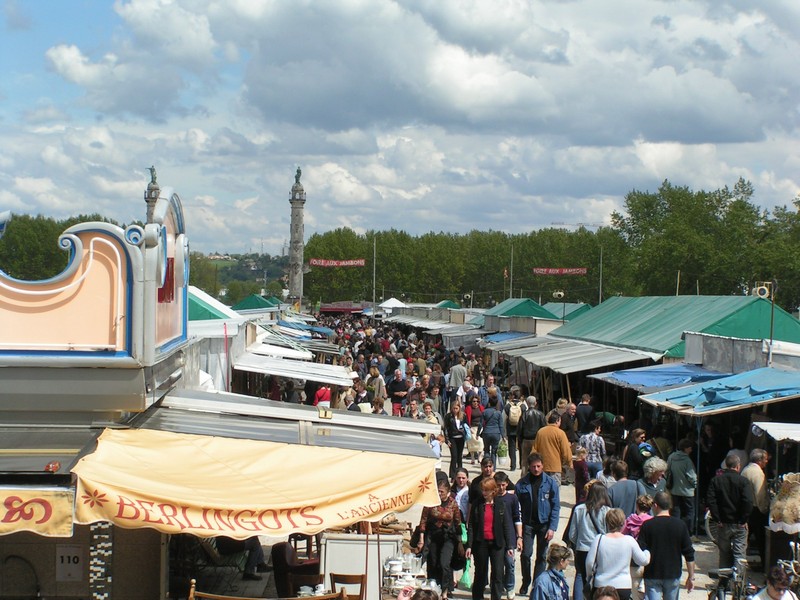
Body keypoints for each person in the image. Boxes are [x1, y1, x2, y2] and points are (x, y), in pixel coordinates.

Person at [515, 452, 561, 595]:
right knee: (526, 554)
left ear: (543, 466)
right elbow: (516, 507)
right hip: (528, 524)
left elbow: (556, 506)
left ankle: (537, 583)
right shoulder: (521, 484)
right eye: (533, 466)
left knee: (542, 556)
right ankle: (526, 581)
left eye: (538, 466)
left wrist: (552, 527)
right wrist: (519, 533)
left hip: (544, 525)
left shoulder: (550, 483)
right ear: (529, 467)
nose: (536, 469)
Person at [638, 491, 696, 600]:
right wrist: (691, 577)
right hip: (672, 574)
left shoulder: (647, 525)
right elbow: (689, 553)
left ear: (655, 505)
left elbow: (640, 549)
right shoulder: (680, 525)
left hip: (652, 573)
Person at [465, 478, 517, 600]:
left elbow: (507, 526)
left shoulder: (500, 504)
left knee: (498, 574)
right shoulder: (477, 503)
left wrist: (510, 546)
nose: (484, 493)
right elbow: (471, 525)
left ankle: (496, 597)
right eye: (483, 490)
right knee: (480, 574)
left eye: (486, 490)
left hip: (497, 543)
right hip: (481, 543)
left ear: (493, 490)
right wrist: (469, 545)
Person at [585, 508, 650, 600]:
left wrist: (589, 577)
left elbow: (589, 563)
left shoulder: (599, 539)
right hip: (623, 585)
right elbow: (643, 560)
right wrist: (647, 552)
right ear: (623, 523)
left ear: (607, 523)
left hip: (601, 584)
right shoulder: (629, 540)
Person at [416, 477, 462, 600]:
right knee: (433, 563)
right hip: (433, 537)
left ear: (447, 492)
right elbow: (423, 521)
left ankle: (445, 591)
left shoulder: (453, 503)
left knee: (444, 564)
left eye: (441, 491)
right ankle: (433, 591)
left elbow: (458, 523)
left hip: (448, 537)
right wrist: (421, 539)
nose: (439, 494)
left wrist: (460, 542)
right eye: (438, 491)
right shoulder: (431, 502)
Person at [707, 453, 754, 569]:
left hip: (723, 523)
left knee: (724, 553)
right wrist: (744, 519)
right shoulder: (743, 482)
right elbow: (748, 501)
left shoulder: (716, 481)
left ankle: (723, 582)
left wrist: (717, 519)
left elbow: (711, 501)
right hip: (739, 524)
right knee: (739, 555)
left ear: (726, 465)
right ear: (738, 466)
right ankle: (738, 583)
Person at [568, 482, 611, 600]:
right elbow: (608, 532)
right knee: (599, 576)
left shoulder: (579, 509)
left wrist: (577, 544)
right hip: (600, 548)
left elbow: (572, 533)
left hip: (582, 548)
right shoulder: (607, 511)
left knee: (580, 575)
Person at [495, 472, 522, 600]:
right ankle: (498, 586)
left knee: (510, 563)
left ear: (507, 484)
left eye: (503, 485)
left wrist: (519, 537)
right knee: (497, 565)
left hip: (510, 536)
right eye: (498, 485)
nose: (501, 488)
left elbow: (517, 518)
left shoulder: (512, 499)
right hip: (496, 536)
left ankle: (510, 587)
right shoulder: (492, 498)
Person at [741, 448, 770, 568]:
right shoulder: (757, 473)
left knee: (744, 538)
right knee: (761, 539)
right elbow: (760, 494)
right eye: (765, 459)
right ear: (759, 460)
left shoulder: (746, 469)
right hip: (755, 510)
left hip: (747, 508)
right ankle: (765, 565)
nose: (767, 461)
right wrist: (764, 509)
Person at [665, 439, 697, 535]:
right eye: (690, 448)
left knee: (676, 511)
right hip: (687, 491)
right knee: (689, 512)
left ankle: (675, 530)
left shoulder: (672, 457)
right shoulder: (687, 460)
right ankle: (688, 531)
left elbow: (667, 470)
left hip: (674, 489)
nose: (691, 450)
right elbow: (691, 476)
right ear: (686, 448)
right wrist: (695, 484)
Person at [533, 411, 572, 485]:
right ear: (557, 421)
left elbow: (534, 449)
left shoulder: (540, 432)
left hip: (542, 466)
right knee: (554, 490)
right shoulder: (560, 433)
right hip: (555, 466)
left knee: (543, 489)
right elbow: (566, 451)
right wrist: (569, 462)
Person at [519, 396, 546, 472]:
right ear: (535, 403)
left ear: (527, 403)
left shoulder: (524, 414)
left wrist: (521, 440)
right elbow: (544, 428)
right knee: (538, 460)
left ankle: (524, 478)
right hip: (537, 440)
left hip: (526, 440)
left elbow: (520, 429)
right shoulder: (541, 414)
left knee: (525, 461)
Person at [443, 401, 467, 477]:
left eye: (456, 408)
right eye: (453, 408)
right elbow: (446, 428)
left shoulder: (463, 416)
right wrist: (447, 440)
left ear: (459, 408)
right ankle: (453, 475)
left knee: (459, 457)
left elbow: (466, 426)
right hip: (452, 438)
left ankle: (461, 473)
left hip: (461, 438)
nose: (455, 410)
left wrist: (465, 434)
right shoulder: (448, 416)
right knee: (454, 456)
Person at [504, 387, 524, 471]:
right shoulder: (523, 406)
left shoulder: (508, 405)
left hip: (510, 428)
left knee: (511, 447)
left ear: (512, 396)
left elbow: (504, 417)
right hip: (520, 428)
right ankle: (521, 464)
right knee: (521, 446)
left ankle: (513, 465)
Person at [482, 395, 504, 467]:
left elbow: (481, 423)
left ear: (489, 403)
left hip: (486, 432)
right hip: (496, 433)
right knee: (494, 452)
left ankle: (486, 466)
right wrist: (503, 436)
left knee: (486, 450)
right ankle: (493, 468)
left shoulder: (485, 412)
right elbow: (501, 425)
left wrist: (477, 433)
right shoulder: (498, 413)